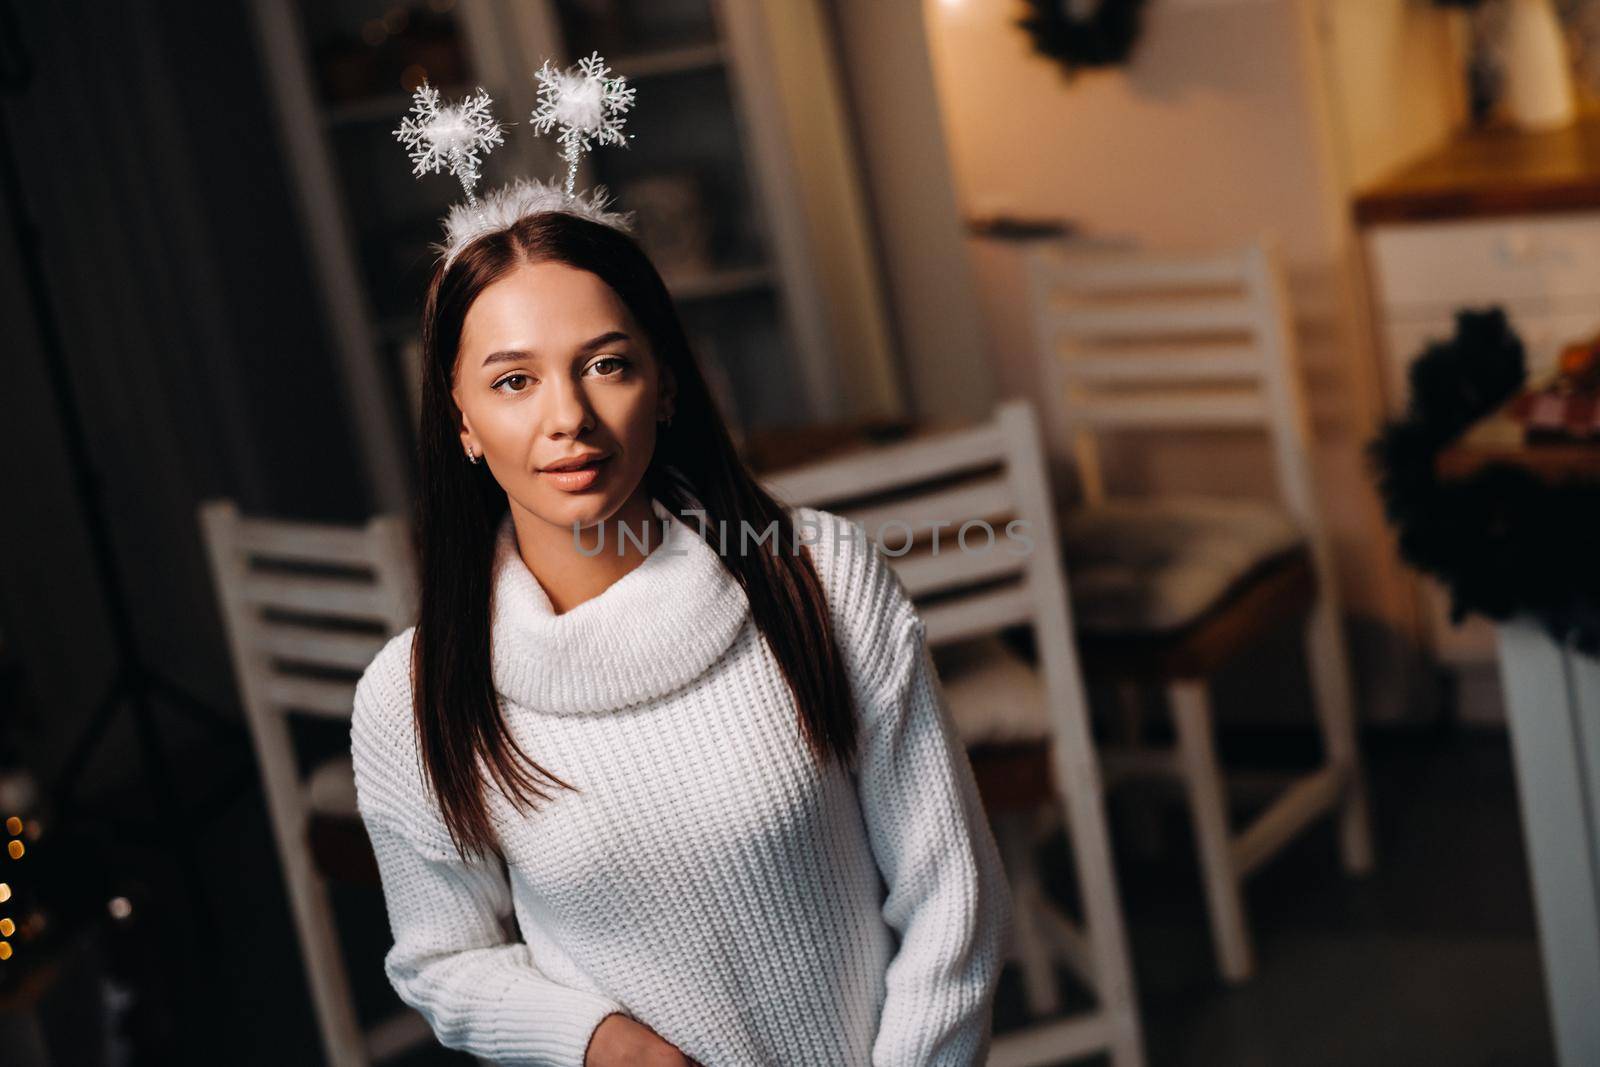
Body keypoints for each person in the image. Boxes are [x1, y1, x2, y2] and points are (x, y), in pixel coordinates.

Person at [355, 68, 1011, 1067]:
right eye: (514, 380)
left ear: (664, 386)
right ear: (461, 424)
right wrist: (603, 1041)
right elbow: (443, 958)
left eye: (607, 363)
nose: (567, 416)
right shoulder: (412, 695)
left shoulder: (816, 578)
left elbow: (951, 895)